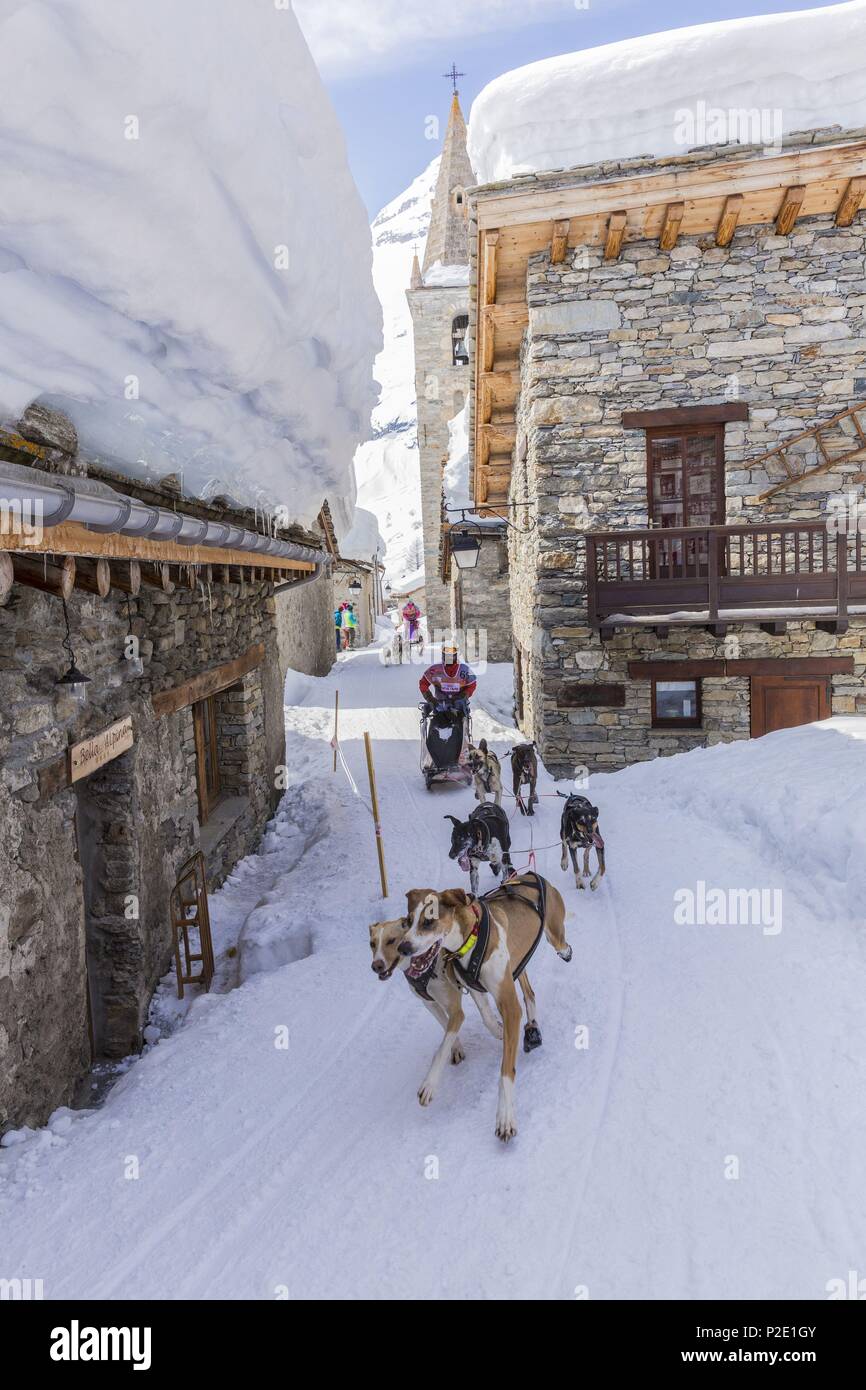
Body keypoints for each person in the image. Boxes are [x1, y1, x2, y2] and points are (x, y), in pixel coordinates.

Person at [419, 642, 477, 712]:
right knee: (435, 722)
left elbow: (472, 685)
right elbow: (423, 683)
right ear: (443, 655)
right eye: (447, 655)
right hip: (440, 706)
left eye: (451, 655)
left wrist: (464, 695)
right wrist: (430, 698)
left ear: (456, 655)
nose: (449, 658)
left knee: (461, 721)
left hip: (459, 707)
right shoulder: (434, 670)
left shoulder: (464, 669)